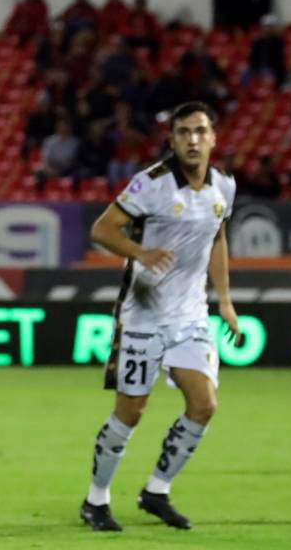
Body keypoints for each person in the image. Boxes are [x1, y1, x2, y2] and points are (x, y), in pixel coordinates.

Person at [79, 101, 238, 532]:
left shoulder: (224, 187)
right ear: (172, 140)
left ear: (213, 138)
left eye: (200, 131)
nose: (192, 140)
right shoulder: (150, 184)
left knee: (204, 405)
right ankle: (96, 500)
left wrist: (225, 301)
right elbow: (102, 229)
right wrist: (141, 252)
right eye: (183, 132)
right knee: (131, 412)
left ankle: (156, 491)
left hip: (191, 316)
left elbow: (218, 239)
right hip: (143, 315)